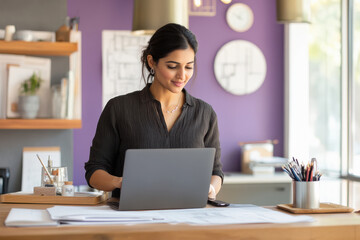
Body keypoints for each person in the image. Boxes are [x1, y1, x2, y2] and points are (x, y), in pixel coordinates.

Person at [85, 23, 224, 200]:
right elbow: (94, 171)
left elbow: (216, 172)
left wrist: (211, 189)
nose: (182, 75)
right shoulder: (119, 109)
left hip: (190, 218)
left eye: (189, 66)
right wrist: (121, 182)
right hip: (133, 218)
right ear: (152, 62)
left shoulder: (205, 113)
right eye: (173, 66)